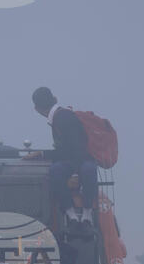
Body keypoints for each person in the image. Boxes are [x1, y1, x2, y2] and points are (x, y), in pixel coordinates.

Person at [31, 86, 99, 226]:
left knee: (57, 172)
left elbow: (73, 148)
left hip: (80, 160)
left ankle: (82, 214)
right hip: (76, 159)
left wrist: (44, 155)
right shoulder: (60, 116)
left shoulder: (62, 117)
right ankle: (77, 215)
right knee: (57, 170)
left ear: (37, 109)